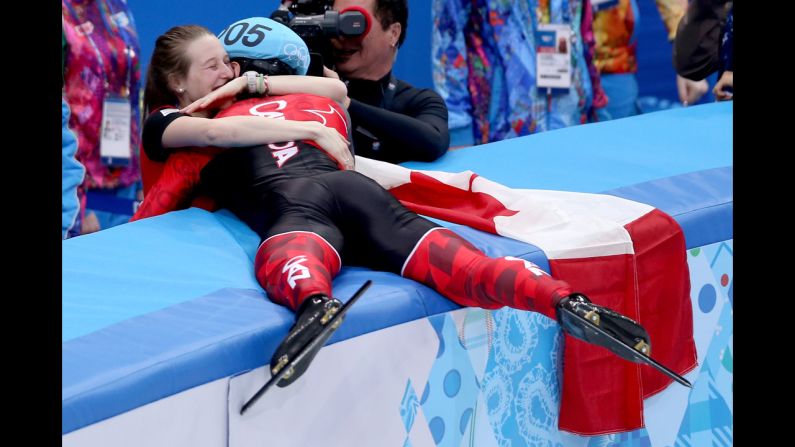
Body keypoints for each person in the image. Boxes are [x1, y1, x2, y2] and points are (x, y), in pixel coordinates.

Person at [136, 18, 655, 389]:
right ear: (178, 81)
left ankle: (314, 304)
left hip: (295, 203)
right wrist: (301, 123)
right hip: (353, 188)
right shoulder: (288, 105)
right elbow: (330, 93)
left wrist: (253, 88)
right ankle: (559, 298)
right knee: (459, 262)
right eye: (215, 67)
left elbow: (172, 189)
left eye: (232, 63)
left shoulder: (211, 128)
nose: (228, 73)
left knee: (288, 257)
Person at [321, 0, 449, 163]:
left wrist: (345, 104)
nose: (339, 37)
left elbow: (433, 141)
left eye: (353, 23)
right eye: (333, 22)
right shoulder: (307, 84)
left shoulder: (418, 101)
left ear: (393, 33)